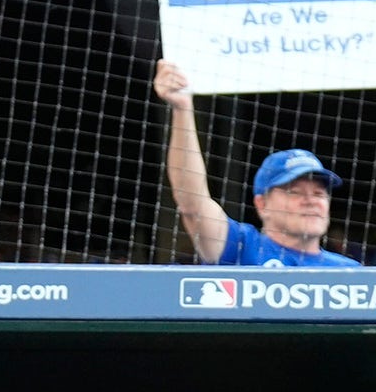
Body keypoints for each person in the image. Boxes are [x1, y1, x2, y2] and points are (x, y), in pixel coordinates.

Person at [153, 60, 361, 268]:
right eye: (294, 192)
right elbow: (192, 202)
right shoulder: (241, 247)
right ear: (262, 204)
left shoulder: (351, 272)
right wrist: (182, 108)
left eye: (319, 194)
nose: (311, 201)